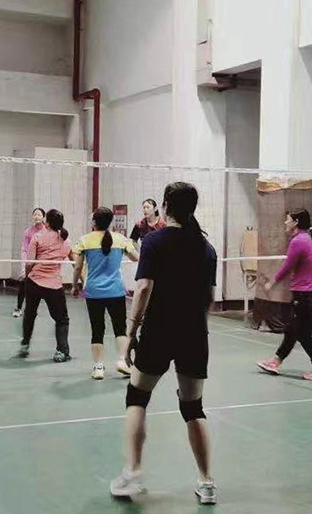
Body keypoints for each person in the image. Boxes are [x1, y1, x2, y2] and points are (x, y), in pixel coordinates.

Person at [110, 182, 218, 504]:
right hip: (194, 334)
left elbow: (143, 289)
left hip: (158, 331)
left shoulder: (154, 241)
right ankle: (206, 482)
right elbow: (209, 299)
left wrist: (131, 333)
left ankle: (132, 472)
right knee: (193, 408)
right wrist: (194, 325)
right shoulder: (206, 248)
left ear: (166, 205)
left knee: (137, 396)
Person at [257, 209, 312, 381]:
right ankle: (276, 361)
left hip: (306, 296)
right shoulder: (307, 238)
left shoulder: (298, 241)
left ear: (296, 222)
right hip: (307, 295)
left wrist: (271, 283)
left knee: (302, 333)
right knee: (292, 330)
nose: (285, 222)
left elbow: (287, 267)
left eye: (288, 219)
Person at [73, 207, 139, 380]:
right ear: (110, 222)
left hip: (94, 292)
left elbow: (78, 267)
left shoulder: (85, 240)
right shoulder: (120, 239)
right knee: (120, 328)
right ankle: (122, 361)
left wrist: (75, 286)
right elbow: (136, 257)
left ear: (94, 221)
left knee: (97, 329)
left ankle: (99, 367)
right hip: (116, 291)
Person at [18, 209, 73, 362]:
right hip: (54, 285)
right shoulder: (66, 241)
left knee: (29, 314)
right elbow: (75, 261)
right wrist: (81, 281)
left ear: (47, 223)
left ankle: (25, 345)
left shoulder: (37, 237)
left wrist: (27, 276)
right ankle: (62, 351)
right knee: (61, 319)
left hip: (34, 282)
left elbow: (29, 263)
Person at [14, 208, 46, 318]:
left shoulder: (47, 231)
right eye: (35, 214)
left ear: (43, 217)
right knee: (23, 283)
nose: (37, 216)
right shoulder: (28, 232)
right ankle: (18, 308)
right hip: (30, 262)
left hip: (42, 263)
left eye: (39, 214)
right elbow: (24, 250)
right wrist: (24, 268)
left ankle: (33, 309)